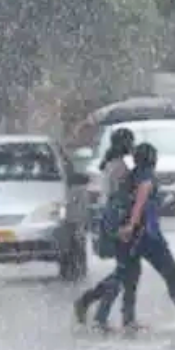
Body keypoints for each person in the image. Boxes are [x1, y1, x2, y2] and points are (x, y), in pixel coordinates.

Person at [107, 143, 175, 331]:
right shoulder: (146, 174)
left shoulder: (131, 176)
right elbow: (144, 192)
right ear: (152, 159)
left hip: (128, 237)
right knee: (170, 271)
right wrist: (133, 223)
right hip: (146, 236)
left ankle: (128, 318)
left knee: (130, 277)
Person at [73, 128, 136, 327]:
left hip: (112, 217)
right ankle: (95, 309)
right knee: (124, 271)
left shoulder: (111, 163)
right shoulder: (121, 166)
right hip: (118, 218)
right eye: (131, 142)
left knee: (124, 270)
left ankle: (97, 308)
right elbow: (124, 195)